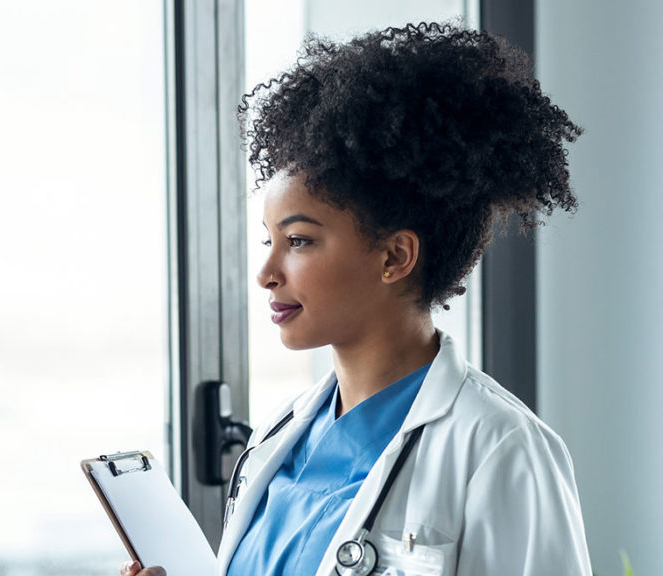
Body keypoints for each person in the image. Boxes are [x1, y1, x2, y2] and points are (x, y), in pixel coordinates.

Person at [124, 21, 592, 576]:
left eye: (299, 241)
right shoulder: (280, 438)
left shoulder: (501, 449)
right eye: (269, 241)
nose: (267, 274)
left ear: (394, 256)